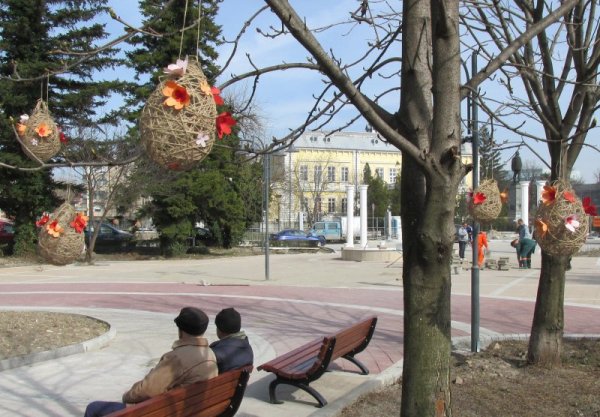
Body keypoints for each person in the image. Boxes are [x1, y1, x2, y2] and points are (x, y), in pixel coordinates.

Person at [84, 307, 218, 417]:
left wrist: (126, 396)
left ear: (180, 330)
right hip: (196, 409)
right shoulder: (209, 353)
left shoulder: (176, 358)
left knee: (94, 408)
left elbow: (146, 390)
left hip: (168, 412)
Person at [210, 307, 254, 374]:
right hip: (238, 383)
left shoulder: (215, 352)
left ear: (219, 330)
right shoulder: (247, 346)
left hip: (221, 384)